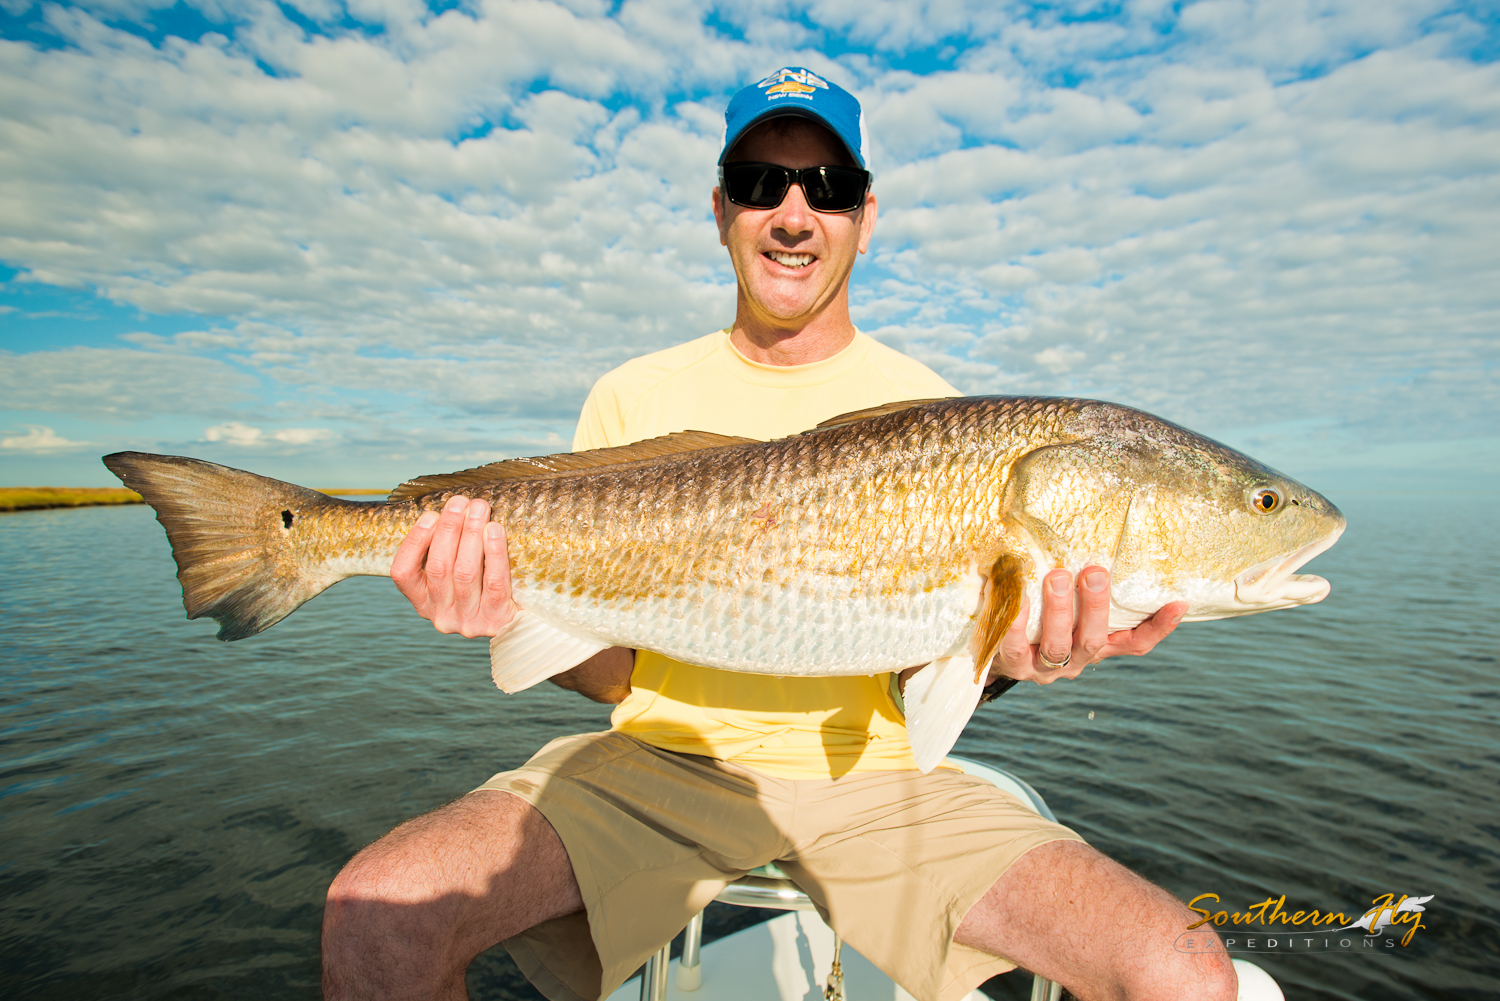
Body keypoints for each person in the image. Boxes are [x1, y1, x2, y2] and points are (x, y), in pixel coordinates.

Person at [322, 67, 1236, 1001]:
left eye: (827, 188)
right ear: (721, 208)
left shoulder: (941, 413)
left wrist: (1011, 659)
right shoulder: (632, 397)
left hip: (886, 780)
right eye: (763, 182)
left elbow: (939, 670)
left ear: (865, 215)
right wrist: (504, 609)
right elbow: (608, 672)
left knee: (1190, 971)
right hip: (657, 764)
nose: (794, 213)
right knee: (376, 914)